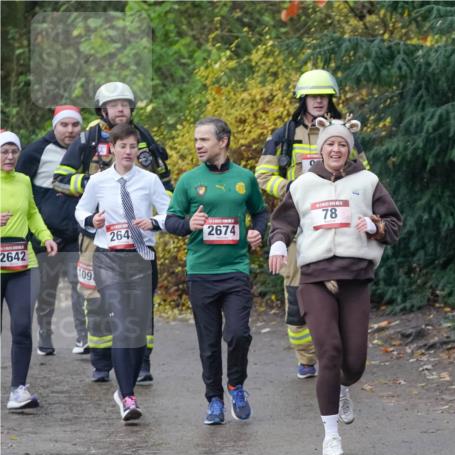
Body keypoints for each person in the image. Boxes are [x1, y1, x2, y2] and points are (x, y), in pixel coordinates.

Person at [268, 119, 401, 455]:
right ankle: (330, 436)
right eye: (330, 144)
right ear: (321, 149)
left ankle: (343, 386)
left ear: (350, 149)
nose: (336, 149)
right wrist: (279, 242)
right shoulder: (304, 184)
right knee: (328, 352)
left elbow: (394, 224)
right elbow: (283, 222)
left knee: (354, 363)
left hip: (355, 276)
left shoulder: (367, 181)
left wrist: (374, 225)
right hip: (314, 276)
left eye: (342, 144)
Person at [256, 69, 369, 390]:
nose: (318, 101)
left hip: (337, 224)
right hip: (300, 225)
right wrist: (291, 189)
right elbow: (263, 175)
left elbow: (366, 174)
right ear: (302, 99)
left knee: (343, 288)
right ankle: (306, 358)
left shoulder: (343, 133)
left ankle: (333, 354)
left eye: (324, 96)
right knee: (296, 294)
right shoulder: (284, 135)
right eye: (312, 96)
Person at [54, 82, 172, 383]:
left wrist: (159, 219)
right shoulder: (87, 139)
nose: (120, 109)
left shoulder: (142, 138)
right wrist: (93, 184)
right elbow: (60, 179)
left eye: (125, 104)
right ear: (102, 110)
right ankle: (101, 361)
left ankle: (142, 362)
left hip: (138, 238)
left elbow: (165, 183)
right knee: (95, 298)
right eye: (114, 105)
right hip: (96, 237)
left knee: (140, 299)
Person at [162, 117, 267, 425]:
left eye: (204, 139)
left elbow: (260, 212)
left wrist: (257, 232)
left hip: (235, 269)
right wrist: (188, 224)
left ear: (223, 141)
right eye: (196, 140)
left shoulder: (244, 178)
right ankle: (214, 400)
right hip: (201, 271)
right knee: (208, 343)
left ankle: (236, 386)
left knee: (238, 334)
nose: (198, 145)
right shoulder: (188, 180)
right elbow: (170, 220)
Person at [74, 123, 169, 422]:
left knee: (137, 330)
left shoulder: (150, 180)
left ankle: (125, 390)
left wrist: (153, 222)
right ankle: (127, 396)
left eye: (132, 147)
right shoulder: (98, 181)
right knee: (121, 325)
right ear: (112, 148)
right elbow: (80, 210)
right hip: (109, 259)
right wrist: (92, 220)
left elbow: (170, 211)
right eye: (122, 146)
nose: (128, 152)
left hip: (141, 258)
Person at [16, 106, 89, 355]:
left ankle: (83, 337)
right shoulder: (36, 151)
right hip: (46, 235)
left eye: (75, 125)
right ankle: (45, 334)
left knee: (80, 285)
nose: (70, 130)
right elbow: (17, 187)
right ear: (54, 126)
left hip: (78, 232)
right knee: (46, 289)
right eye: (64, 125)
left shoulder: (87, 149)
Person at [1, 130, 59, 409]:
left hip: (23, 264)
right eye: (4, 151)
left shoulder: (24, 180)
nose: (10, 156)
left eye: (14, 151)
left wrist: (45, 236)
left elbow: (33, 213)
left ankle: (18, 390)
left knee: (22, 327)